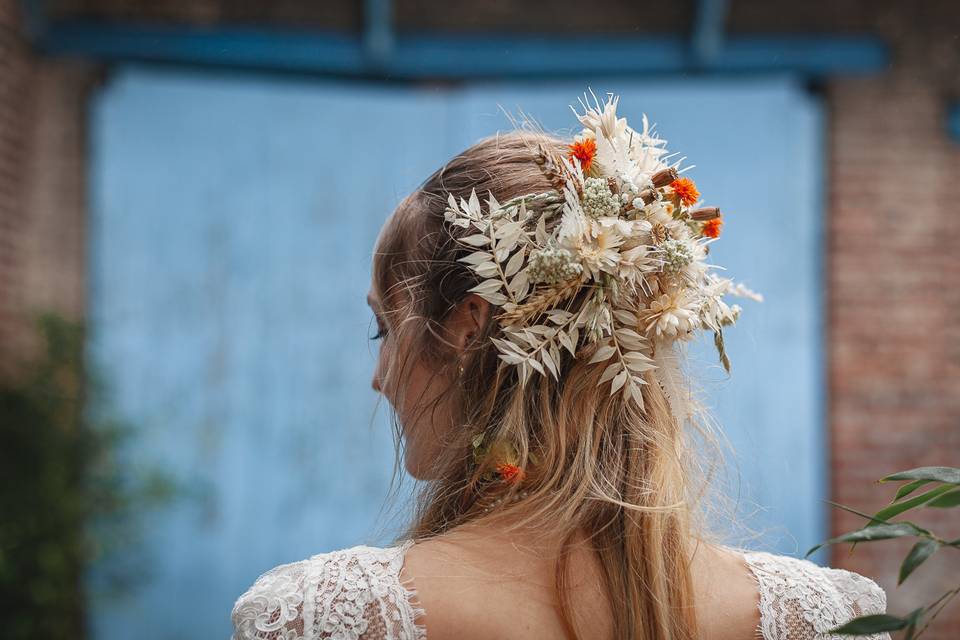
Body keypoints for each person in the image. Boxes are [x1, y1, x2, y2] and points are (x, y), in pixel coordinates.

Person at [230, 94, 889, 640]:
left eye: (384, 327)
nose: (379, 377)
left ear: (467, 326)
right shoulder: (829, 619)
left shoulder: (321, 618)